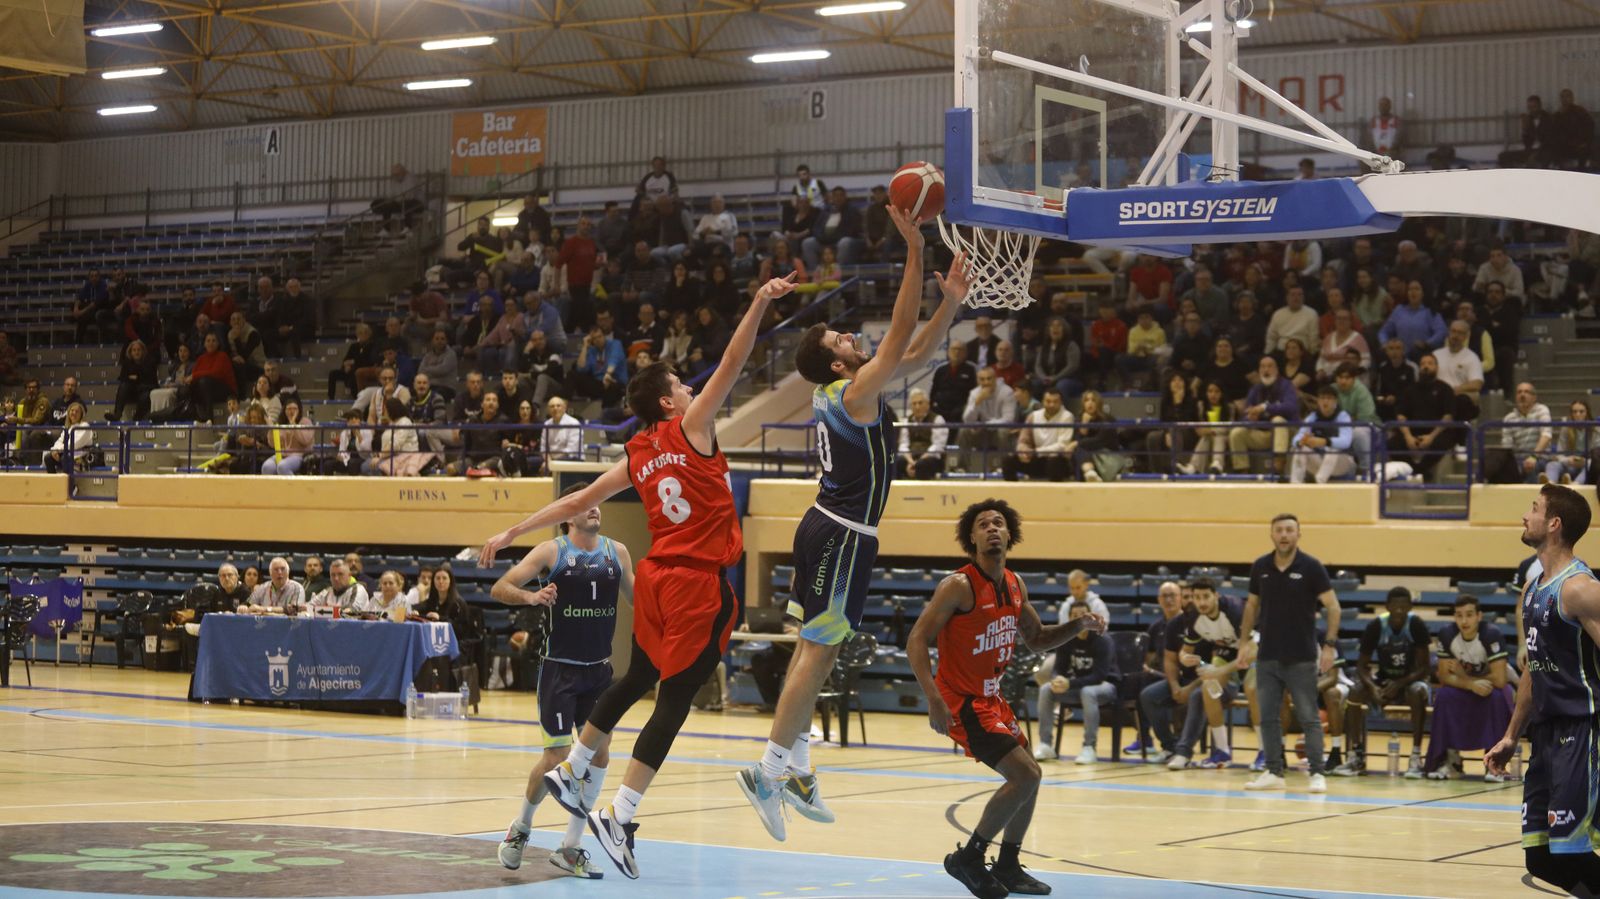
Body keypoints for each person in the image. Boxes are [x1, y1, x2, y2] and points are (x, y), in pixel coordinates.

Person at [476, 272, 800, 880]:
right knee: (676, 698)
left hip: (653, 577)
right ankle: (619, 812)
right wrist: (759, 300)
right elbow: (735, 360)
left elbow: (576, 501)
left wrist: (514, 529)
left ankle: (574, 767)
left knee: (637, 677)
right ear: (668, 403)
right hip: (696, 581)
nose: (690, 388)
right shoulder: (693, 426)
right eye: (681, 385)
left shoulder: (637, 453)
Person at [740, 206, 966, 840]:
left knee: (815, 649)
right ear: (839, 366)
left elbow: (914, 349)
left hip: (829, 528)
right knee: (819, 653)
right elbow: (901, 332)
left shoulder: (843, 390)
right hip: (841, 533)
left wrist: (950, 302)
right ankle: (768, 772)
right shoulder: (855, 394)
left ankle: (798, 768)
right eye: (841, 341)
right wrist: (915, 249)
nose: (850, 338)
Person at [906, 499, 1105, 899]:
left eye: (998, 523)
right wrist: (933, 698)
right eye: (983, 524)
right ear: (972, 538)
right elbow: (916, 640)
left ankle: (1009, 865)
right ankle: (969, 858)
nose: (992, 529)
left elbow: (1037, 639)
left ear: (1010, 533)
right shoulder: (958, 586)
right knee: (1025, 775)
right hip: (961, 700)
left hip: (991, 698)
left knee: (1032, 775)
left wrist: (1077, 624)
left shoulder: (1014, 584)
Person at [495, 484, 635, 880]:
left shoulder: (617, 553)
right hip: (559, 670)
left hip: (599, 672)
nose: (594, 509)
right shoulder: (551, 552)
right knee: (557, 759)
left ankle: (570, 848)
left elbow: (639, 599)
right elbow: (500, 587)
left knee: (599, 755)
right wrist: (531, 598)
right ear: (567, 515)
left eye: (597, 504)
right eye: (585, 505)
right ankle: (520, 828)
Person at [1486, 484, 1600, 895]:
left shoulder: (1580, 588)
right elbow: (1533, 672)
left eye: (1533, 508)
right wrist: (1510, 735)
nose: (1525, 515)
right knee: (1540, 858)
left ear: (1554, 523)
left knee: (1571, 851)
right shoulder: (1533, 589)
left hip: (1582, 731)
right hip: (1546, 735)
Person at [1238, 513, 1341, 792]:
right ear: (1272, 535)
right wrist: (1244, 642)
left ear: (1298, 534)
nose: (1284, 535)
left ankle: (1317, 772)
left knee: (1308, 716)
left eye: (1289, 530)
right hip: (1267, 655)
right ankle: (1274, 772)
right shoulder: (1260, 566)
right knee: (1268, 717)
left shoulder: (1312, 567)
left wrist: (1329, 645)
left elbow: (1333, 607)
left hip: (1301, 657)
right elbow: (1251, 606)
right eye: (1279, 530)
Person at [1329, 587, 1432, 778]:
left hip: (1411, 680)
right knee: (1355, 691)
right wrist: (1373, 687)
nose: (1399, 611)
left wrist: (1400, 683)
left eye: (1404, 607)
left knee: (1417, 691)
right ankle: (1355, 755)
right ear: (1387, 607)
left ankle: (1416, 757)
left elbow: (1425, 668)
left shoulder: (1416, 625)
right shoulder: (1376, 626)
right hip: (1384, 679)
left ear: (1410, 607)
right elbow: (1361, 666)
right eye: (1395, 607)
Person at [1424, 595, 1515, 781]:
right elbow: (1444, 676)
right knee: (1444, 695)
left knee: (1496, 696)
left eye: (1469, 615)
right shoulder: (1447, 634)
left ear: (1479, 616)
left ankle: (1494, 763)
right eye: (1459, 615)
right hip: (1470, 686)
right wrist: (1470, 684)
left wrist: (1464, 675)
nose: (1464, 621)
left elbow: (1499, 680)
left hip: (1496, 688)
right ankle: (1450, 761)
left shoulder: (1491, 634)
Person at [1163, 577, 1247, 770]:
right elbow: (1182, 653)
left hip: (1248, 656)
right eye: (1196, 597)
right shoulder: (1191, 619)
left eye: (1205, 597)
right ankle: (1218, 752)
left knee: (1250, 689)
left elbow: (1249, 650)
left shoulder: (1234, 610)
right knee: (1205, 690)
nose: (1201, 602)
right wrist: (1185, 658)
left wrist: (1216, 671)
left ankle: (1266, 755)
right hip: (1220, 662)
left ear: (1216, 596)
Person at [1033, 602, 1118, 764]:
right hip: (1079, 686)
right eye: (1075, 616)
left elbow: (1099, 676)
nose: (1080, 619)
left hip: (1106, 686)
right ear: (1070, 619)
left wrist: (1069, 684)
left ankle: (1089, 747)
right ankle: (1045, 744)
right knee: (1046, 689)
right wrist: (1057, 679)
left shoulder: (1102, 639)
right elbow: (1058, 668)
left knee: (1088, 692)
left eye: (1083, 615)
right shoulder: (1066, 640)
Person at [1288, 386, 1357, 484]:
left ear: (1335, 401)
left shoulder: (1343, 416)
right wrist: (1301, 441)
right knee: (1301, 448)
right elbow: (1296, 439)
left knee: (1333, 448)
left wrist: (1324, 442)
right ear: (1318, 401)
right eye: (1322, 398)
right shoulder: (1312, 417)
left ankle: (1320, 483)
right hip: (1321, 461)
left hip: (1343, 463)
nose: (1325, 401)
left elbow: (1346, 442)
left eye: (1329, 398)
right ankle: (1295, 484)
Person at [1003, 388, 1074, 482]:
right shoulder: (1033, 416)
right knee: (1008, 460)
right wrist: (1023, 450)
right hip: (1036, 457)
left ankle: (1056, 490)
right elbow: (1023, 440)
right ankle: (1012, 489)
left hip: (1057, 460)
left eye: (1055, 402)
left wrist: (1036, 451)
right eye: (1048, 401)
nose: (1051, 405)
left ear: (1061, 402)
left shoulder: (1067, 416)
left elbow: (1062, 445)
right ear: (1043, 401)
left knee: (1054, 461)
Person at [898, 389, 948, 480]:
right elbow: (903, 444)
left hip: (930, 458)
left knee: (921, 465)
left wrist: (918, 462)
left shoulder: (937, 419)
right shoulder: (906, 421)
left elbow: (937, 446)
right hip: (911, 457)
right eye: (914, 404)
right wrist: (910, 461)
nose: (917, 407)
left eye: (920, 403)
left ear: (927, 404)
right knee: (897, 462)